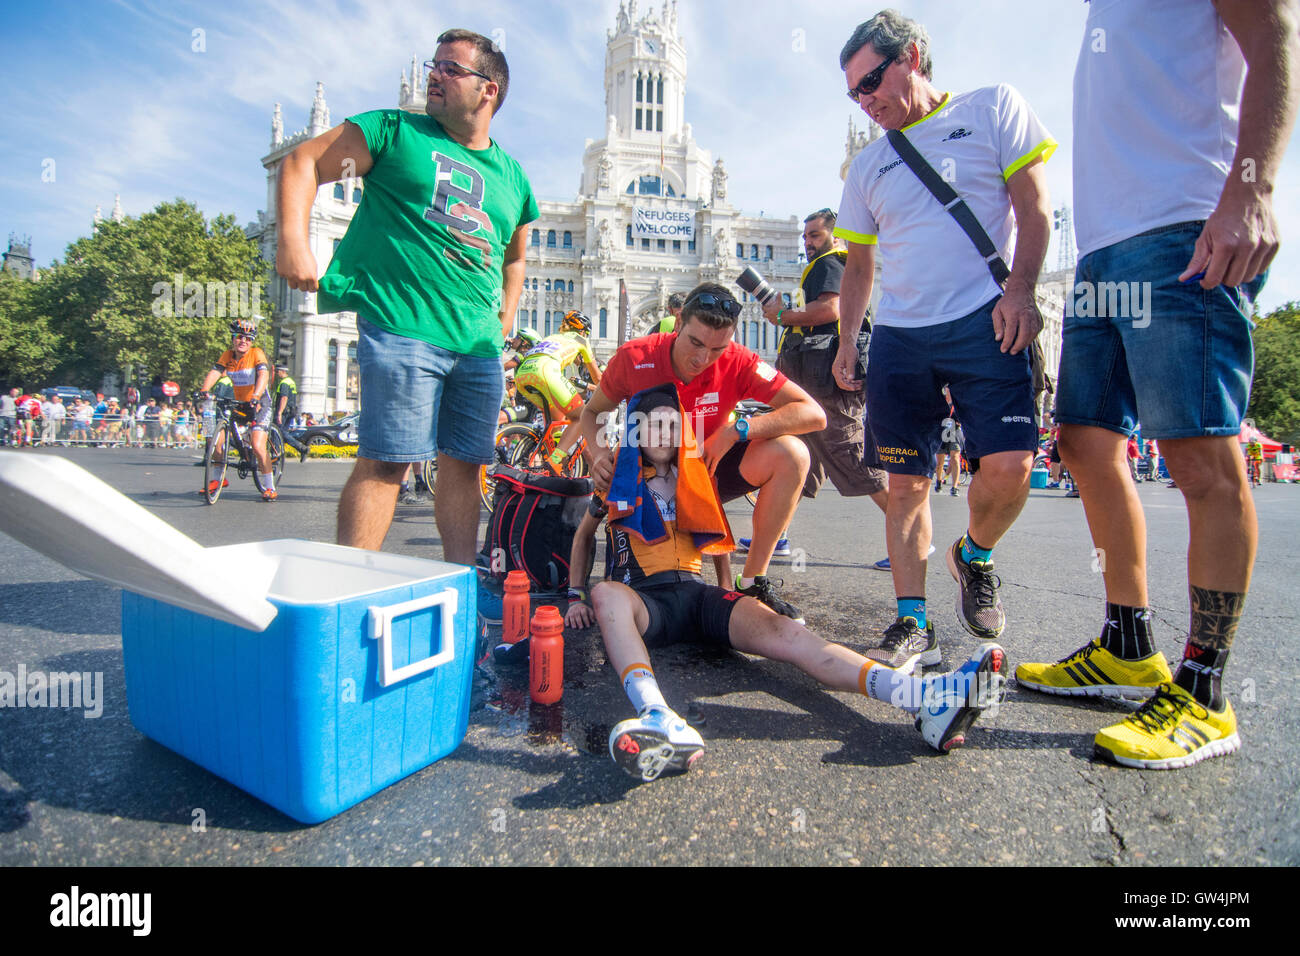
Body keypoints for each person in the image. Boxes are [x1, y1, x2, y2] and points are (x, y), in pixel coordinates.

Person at [1016, 0, 1298, 770]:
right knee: (1081, 443)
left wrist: (1252, 188)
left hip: (1182, 225)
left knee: (1200, 455)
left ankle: (1203, 689)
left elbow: (1275, 31)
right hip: (1106, 248)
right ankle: (1127, 643)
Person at [561, 384, 1005, 780]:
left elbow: (718, 543)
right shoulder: (614, 480)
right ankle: (655, 713)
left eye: (670, 425)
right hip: (644, 601)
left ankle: (921, 697)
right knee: (606, 595)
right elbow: (583, 538)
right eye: (651, 426)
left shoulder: (696, 480)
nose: (662, 434)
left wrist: (731, 594)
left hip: (697, 596)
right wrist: (574, 595)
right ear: (636, 432)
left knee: (788, 631)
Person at [832, 10, 1055, 669]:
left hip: (988, 320)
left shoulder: (993, 109)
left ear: (914, 57)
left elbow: (1034, 206)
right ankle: (910, 620)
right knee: (905, 485)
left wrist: (1021, 289)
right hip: (902, 337)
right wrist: (850, 340)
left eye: (872, 80)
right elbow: (859, 266)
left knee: (1011, 468)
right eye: (854, 93)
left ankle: (974, 554)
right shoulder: (866, 165)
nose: (866, 100)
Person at [277, 28, 536, 567]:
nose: (434, 75)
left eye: (450, 68)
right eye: (433, 67)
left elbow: (515, 257)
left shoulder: (514, 176)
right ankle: (348, 588)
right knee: (387, 461)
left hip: (479, 347)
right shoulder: (394, 131)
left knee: (464, 465)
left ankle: (461, 582)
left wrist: (506, 316)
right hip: (402, 327)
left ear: (489, 90)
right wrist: (293, 242)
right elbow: (303, 162)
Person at [581, 283, 826, 623]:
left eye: (717, 349)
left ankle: (751, 582)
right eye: (695, 343)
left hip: (708, 473)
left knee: (793, 454)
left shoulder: (740, 361)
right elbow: (591, 413)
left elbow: (813, 414)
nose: (702, 358)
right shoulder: (634, 356)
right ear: (678, 322)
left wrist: (737, 429)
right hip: (648, 482)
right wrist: (599, 454)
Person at [751, 208, 889, 563]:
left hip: (826, 380)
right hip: (814, 377)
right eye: (806, 236)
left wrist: (784, 316)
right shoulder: (828, 264)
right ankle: (776, 535)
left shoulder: (831, 262)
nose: (808, 243)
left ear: (835, 235)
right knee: (795, 456)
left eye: (814, 235)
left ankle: (910, 534)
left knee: (849, 450)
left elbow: (830, 310)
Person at [199, 319, 279, 501]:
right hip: (239, 403)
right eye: (240, 337)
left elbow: (263, 374)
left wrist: (256, 395)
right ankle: (218, 480)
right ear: (233, 338)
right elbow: (215, 372)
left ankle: (270, 487)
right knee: (216, 441)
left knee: (258, 447)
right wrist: (204, 390)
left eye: (248, 338)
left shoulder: (256, 353)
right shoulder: (227, 355)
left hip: (259, 403)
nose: (244, 341)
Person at [513, 310, 603, 471]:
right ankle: (554, 461)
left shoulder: (551, 337)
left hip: (523, 376)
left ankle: (546, 454)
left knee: (557, 419)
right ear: (582, 331)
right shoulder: (581, 340)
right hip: (545, 372)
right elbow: (597, 378)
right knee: (583, 416)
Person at [272, 364, 309, 463]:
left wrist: (279, 412)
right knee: (283, 433)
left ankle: (277, 454)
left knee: (276, 433)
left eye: (277, 371)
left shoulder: (284, 383)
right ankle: (300, 448)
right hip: (291, 410)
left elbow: (284, 398)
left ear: (283, 371)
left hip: (283, 411)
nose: (276, 373)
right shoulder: (291, 382)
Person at [936, 388, 963, 496]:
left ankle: (954, 487)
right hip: (942, 432)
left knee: (955, 458)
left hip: (954, 431)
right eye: (947, 390)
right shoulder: (939, 403)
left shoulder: (957, 404)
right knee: (940, 463)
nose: (949, 392)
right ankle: (939, 481)